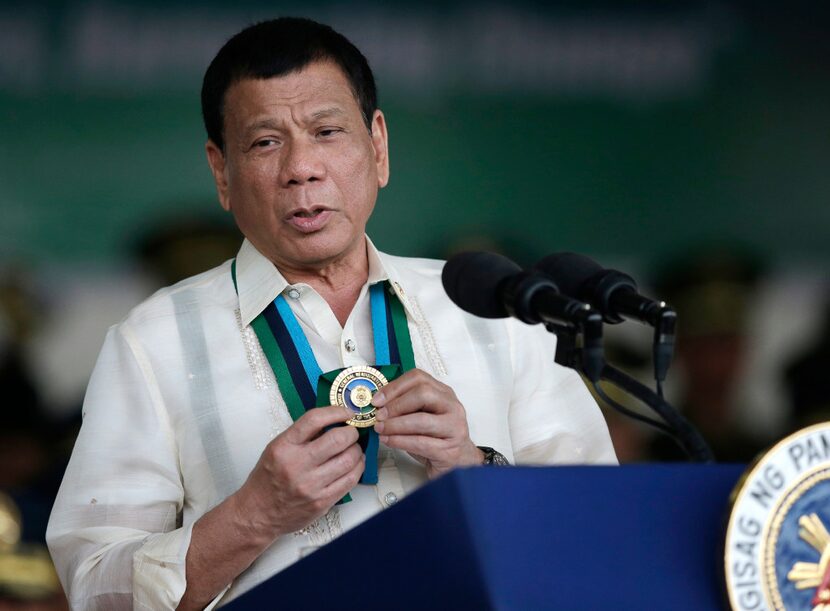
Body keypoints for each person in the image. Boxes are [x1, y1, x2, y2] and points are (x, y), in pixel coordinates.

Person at [46, 17, 616, 609]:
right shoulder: (153, 342)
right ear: (222, 172)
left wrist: (474, 472)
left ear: (378, 146)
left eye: (326, 131)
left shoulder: (492, 312)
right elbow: (94, 585)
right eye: (266, 142)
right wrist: (252, 516)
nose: (302, 168)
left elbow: (600, 532)